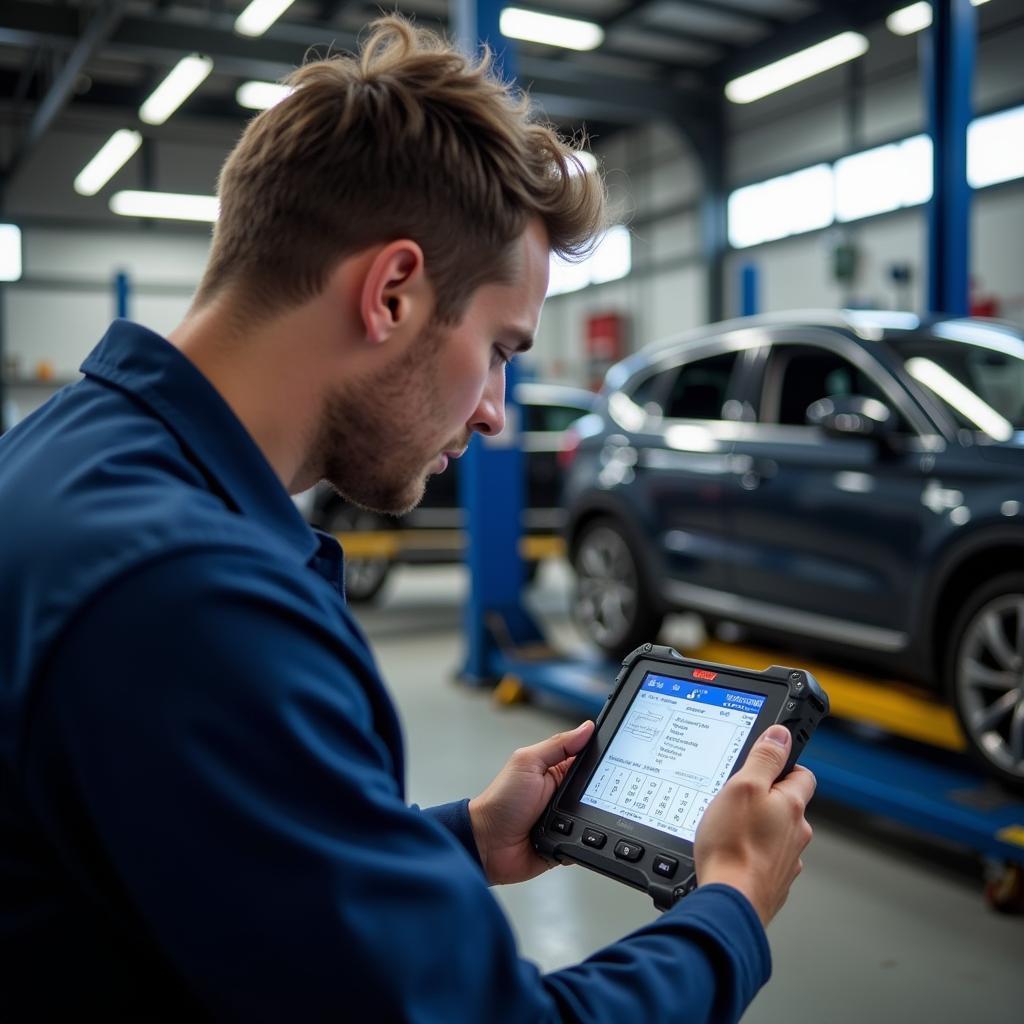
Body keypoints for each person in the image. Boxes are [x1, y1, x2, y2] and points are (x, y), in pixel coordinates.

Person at [0, 16, 816, 1021]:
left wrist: (464, 839)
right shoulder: (192, 595)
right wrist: (731, 902)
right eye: (502, 348)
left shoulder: (72, 460)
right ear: (391, 291)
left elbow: (211, 881)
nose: (493, 412)